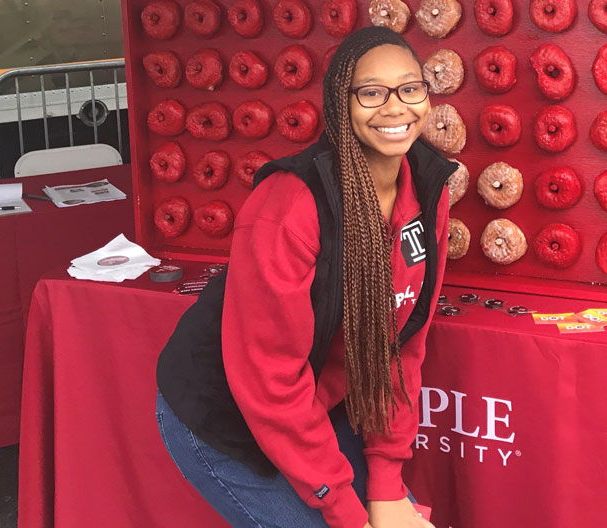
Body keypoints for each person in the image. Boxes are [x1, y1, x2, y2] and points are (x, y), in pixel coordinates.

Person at [155, 26, 455, 528]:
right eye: (372, 92)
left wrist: (385, 485)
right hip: (228, 415)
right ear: (341, 104)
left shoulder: (427, 187)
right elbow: (269, 379)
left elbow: (402, 347)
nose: (396, 107)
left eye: (410, 87)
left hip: (315, 403)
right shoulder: (290, 206)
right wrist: (344, 509)